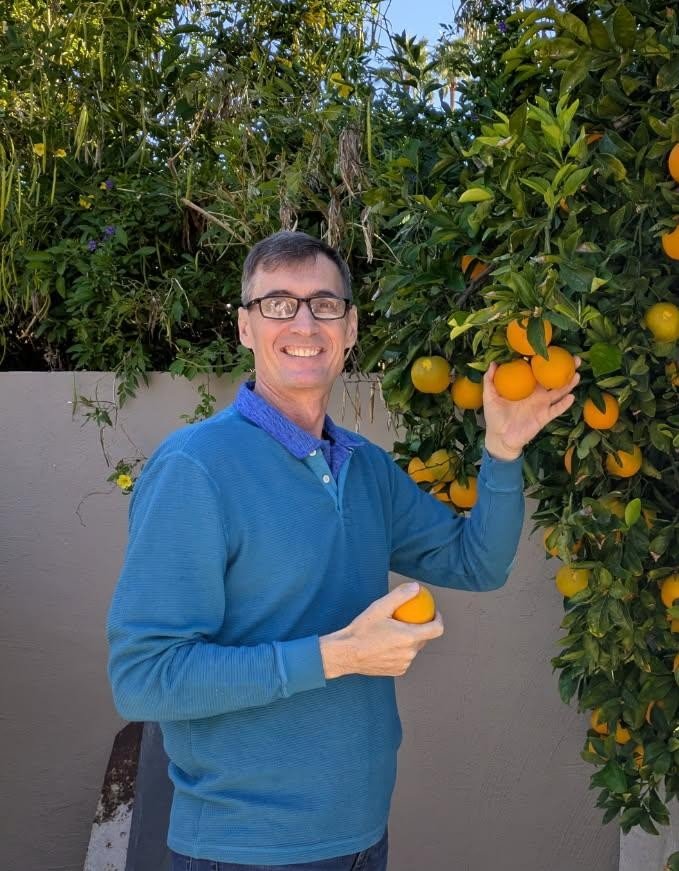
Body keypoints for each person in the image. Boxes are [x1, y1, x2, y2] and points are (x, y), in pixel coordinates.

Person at [107, 230, 579, 871]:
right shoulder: (195, 468)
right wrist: (338, 656)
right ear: (245, 327)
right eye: (278, 304)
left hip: (361, 837)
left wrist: (502, 449)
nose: (304, 323)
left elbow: (478, 563)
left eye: (324, 305)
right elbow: (144, 680)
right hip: (244, 851)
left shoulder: (364, 466)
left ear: (350, 328)